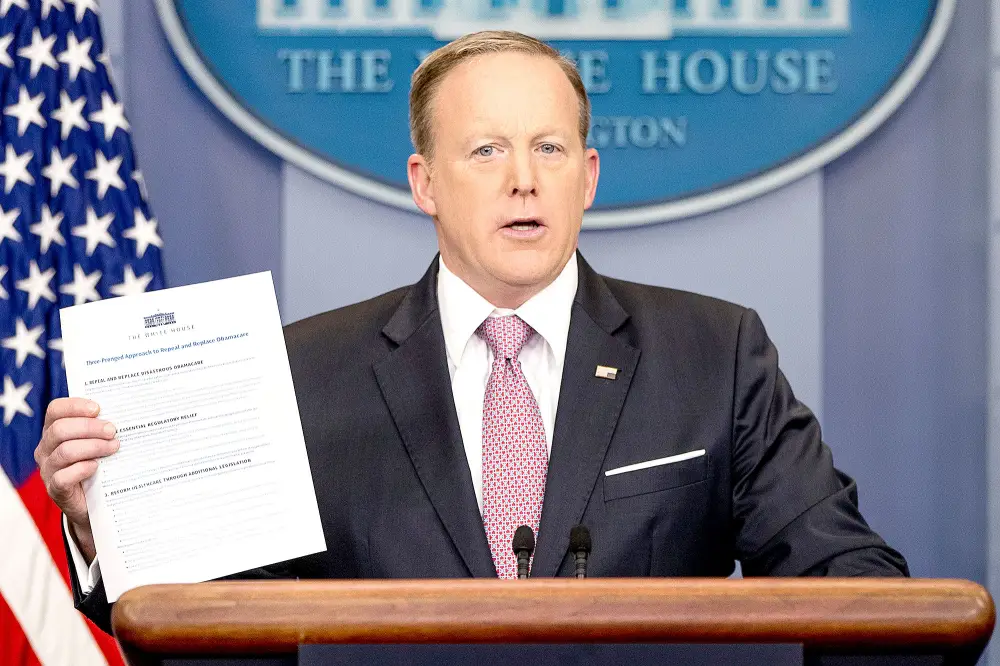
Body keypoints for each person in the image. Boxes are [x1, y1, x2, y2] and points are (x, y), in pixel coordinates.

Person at [36, 31, 907, 635]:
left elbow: (856, 589)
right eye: (486, 151)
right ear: (424, 183)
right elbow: (209, 621)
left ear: (589, 176)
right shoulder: (302, 375)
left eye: (551, 150)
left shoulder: (714, 357)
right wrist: (99, 523)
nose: (523, 180)